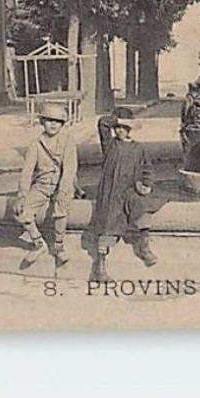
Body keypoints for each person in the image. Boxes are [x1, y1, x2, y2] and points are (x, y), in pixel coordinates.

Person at [88, 114, 165, 282]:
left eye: (124, 128)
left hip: (131, 190)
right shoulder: (110, 145)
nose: (120, 131)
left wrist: (147, 184)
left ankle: (143, 247)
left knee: (144, 207)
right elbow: (103, 123)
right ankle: (99, 268)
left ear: (130, 129)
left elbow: (147, 169)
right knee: (108, 224)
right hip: (112, 192)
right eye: (117, 128)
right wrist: (118, 118)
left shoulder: (139, 148)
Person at [14, 100, 78, 266]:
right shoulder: (36, 144)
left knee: (60, 210)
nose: (53, 125)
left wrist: (63, 191)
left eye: (57, 121)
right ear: (42, 122)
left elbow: (70, 168)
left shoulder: (67, 141)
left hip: (61, 184)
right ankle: (39, 244)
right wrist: (22, 195)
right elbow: (27, 171)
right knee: (21, 212)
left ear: (62, 124)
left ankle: (59, 246)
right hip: (42, 186)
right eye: (49, 120)